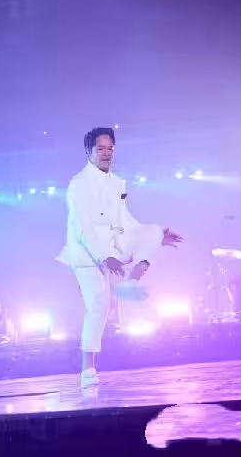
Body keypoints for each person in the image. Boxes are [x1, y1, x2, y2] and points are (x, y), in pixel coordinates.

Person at [57, 127, 182, 388]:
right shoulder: (79, 184)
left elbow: (125, 220)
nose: (106, 153)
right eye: (100, 149)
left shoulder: (116, 182)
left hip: (114, 244)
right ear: (89, 151)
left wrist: (155, 237)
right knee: (99, 305)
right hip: (87, 253)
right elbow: (82, 227)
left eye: (110, 149)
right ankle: (87, 368)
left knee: (152, 229)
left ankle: (131, 283)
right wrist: (104, 257)